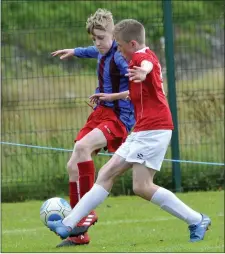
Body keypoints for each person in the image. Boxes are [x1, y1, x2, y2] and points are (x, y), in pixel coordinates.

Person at [48, 19, 211, 243]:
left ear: (132, 44)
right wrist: (112, 96)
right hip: (143, 130)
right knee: (109, 175)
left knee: (141, 185)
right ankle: (69, 224)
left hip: (155, 130)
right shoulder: (139, 56)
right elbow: (137, 88)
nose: (119, 51)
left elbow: (148, 66)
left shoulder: (141, 59)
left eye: (121, 46)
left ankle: (196, 219)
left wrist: (143, 72)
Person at [51, 10, 135, 247]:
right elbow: (91, 52)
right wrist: (75, 51)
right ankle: (79, 234)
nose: (97, 43)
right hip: (101, 113)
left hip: (118, 117)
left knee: (82, 147)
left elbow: (134, 91)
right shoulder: (101, 50)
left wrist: (109, 96)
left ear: (113, 34)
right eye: (93, 39)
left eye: (101, 38)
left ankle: (86, 213)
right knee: (72, 165)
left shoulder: (120, 57)